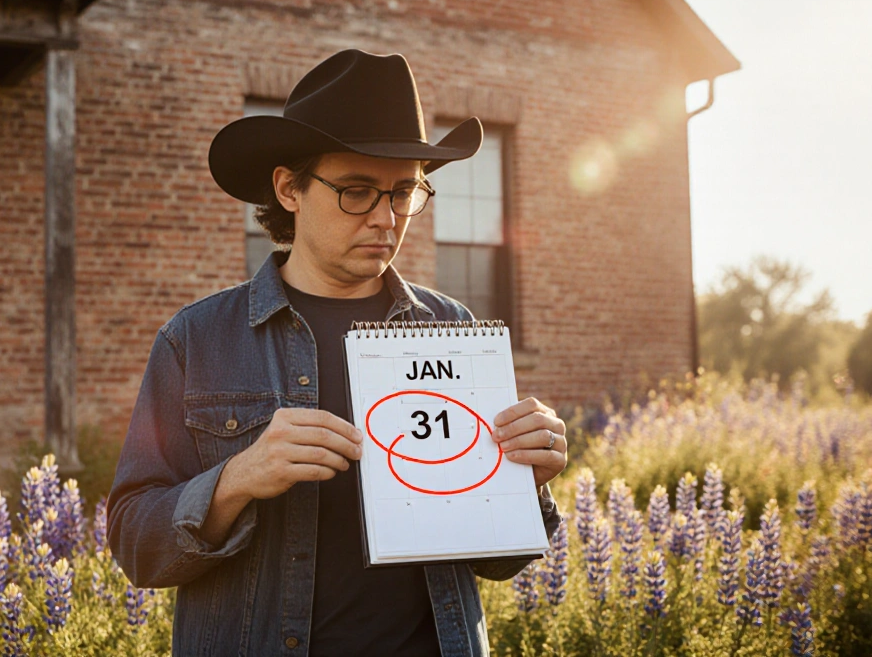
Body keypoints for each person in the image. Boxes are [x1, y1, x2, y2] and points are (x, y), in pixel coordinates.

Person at [107, 49, 567, 657]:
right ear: (288, 188)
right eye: (357, 191)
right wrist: (236, 480)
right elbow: (135, 544)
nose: (386, 218)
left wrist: (525, 482)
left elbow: (497, 563)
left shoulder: (453, 331)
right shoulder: (197, 340)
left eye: (404, 193)